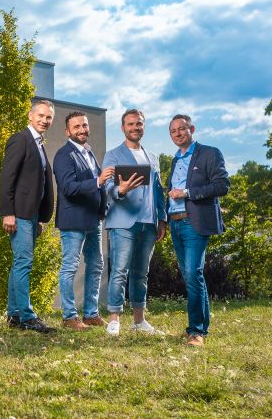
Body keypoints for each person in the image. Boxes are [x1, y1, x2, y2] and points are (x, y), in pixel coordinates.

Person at [165, 114, 230, 347]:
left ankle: (196, 332)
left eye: (181, 129)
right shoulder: (175, 159)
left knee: (193, 274)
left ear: (191, 129)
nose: (178, 134)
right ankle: (199, 327)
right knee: (191, 276)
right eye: (173, 131)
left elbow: (222, 185)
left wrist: (188, 193)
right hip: (176, 222)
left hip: (195, 223)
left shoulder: (209, 153)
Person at [102, 109, 167, 336]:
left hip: (149, 224)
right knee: (120, 271)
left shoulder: (153, 158)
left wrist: (162, 219)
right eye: (130, 124)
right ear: (123, 128)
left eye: (139, 124)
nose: (135, 128)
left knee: (141, 273)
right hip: (123, 222)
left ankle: (139, 321)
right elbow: (106, 187)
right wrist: (119, 189)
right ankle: (114, 319)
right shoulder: (113, 155)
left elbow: (158, 191)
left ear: (143, 127)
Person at [52, 112, 114, 330]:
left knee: (96, 265)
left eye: (84, 125)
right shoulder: (63, 155)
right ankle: (70, 317)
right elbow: (69, 188)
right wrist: (98, 180)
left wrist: (103, 208)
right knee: (70, 267)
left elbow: (100, 186)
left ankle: (90, 314)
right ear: (67, 131)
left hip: (93, 220)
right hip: (73, 221)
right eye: (76, 126)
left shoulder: (88, 153)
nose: (82, 130)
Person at [0, 99, 56, 333]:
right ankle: (27, 316)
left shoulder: (39, 144)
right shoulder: (20, 139)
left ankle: (14, 314)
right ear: (30, 116)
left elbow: (39, 183)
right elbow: (7, 178)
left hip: (31, 216)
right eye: (41, 116)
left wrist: (41, 218)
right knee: (24, 262)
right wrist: (8, 212)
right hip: (18, 214)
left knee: (19, 264)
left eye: (49, 118)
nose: (44, 120)